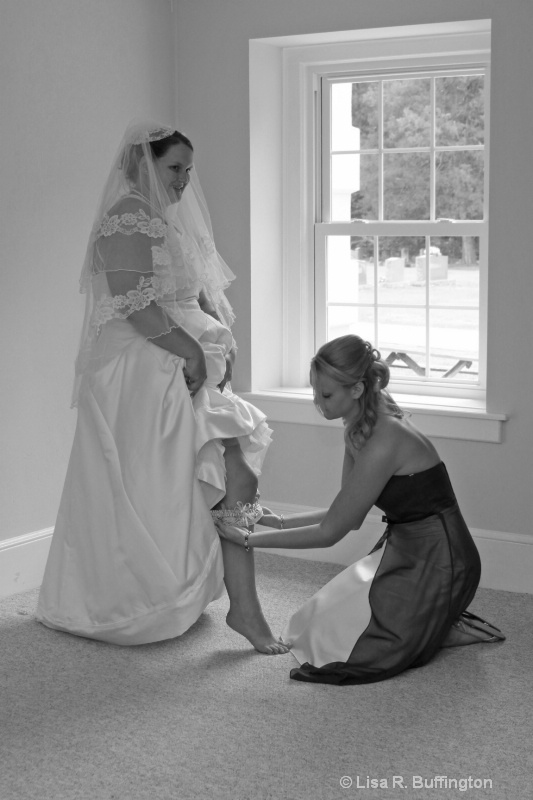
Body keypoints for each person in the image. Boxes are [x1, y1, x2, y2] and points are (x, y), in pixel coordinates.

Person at [36, 121, 288, 655]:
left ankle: (210, 598)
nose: (183, 180)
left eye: (187, 170)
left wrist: (216, 336)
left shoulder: (161, 222)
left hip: (174, 362)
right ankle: (210, 604)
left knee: (212, 477)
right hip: (146, 369)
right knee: (208, 475)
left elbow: (184, 294)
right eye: (174, 168)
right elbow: (132, 300)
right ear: (139, 164)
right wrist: (194, 349)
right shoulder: (128, 216)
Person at [216, 335, 504, 684]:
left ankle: (438, 626)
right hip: (406, 549)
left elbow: (333, 532)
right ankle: (432, 623)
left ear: (357, 389)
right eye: (314, 392)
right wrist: (276, 521)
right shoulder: (359, 426)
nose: (318, 404)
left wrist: (249, 541)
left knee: (355, 650)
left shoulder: (387, 439)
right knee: (312, 626)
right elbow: (345, 509)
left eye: (326, 395)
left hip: (443, 559)